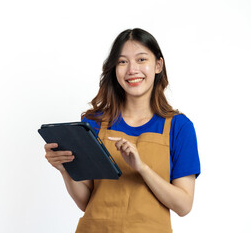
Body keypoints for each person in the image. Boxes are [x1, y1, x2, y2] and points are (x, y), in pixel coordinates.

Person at [44, 28, 200, 233]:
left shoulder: (179, 127)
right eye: (122, 61)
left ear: (158, 65)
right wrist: (65, 169)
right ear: (114, 69)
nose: (132, 70)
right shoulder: (93, 123)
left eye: (141, 59)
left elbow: (184, 205)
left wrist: (141, 167)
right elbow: (86, 202)